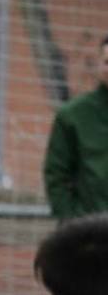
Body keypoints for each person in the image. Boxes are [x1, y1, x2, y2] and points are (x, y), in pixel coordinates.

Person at [44, 33, 108, 221]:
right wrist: (71, 223)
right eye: (106, 62)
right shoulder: (73, 115)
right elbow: (56, 176)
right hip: (90, 236)